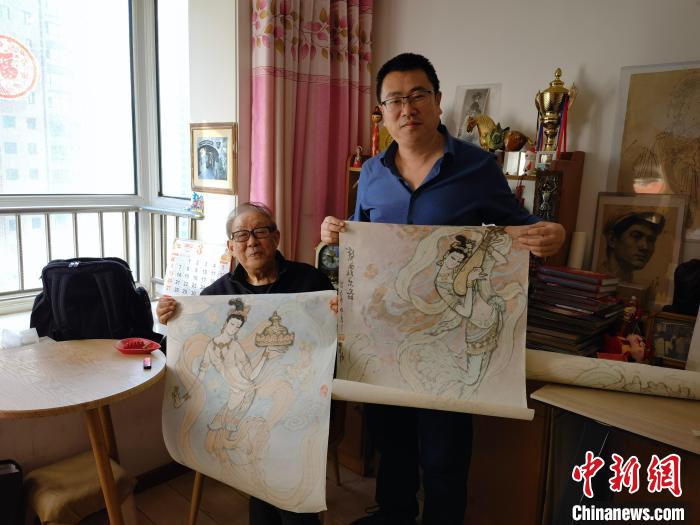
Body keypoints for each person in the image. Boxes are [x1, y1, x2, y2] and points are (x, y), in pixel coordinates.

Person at [320, 53, 565, 525]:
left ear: (437, 100)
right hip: (384, 336)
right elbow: (361, 239)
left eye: (417, 95)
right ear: (382, 111)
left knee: (444, 452)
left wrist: (550, 233)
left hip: (451, 337)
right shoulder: (371, 172)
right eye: (394, 100)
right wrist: (337, 230)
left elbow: (521, 229)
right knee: (391, 443)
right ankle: (393, 515)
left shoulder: (477, 167)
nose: (406, 108)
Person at [158, 201, 335, 525]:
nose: (251, 241)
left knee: (291, 493)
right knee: (260, 479)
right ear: (231, 246)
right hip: (245, 408)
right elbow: (180, 351)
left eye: (260, 232)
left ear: (276, 237)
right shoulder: (215, 296)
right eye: (241, 235)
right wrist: (171, 320)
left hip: (300, 407)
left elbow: (336, 339)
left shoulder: (310, 281)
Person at [601, 211, 665, 282]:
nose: (645, 247)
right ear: (612, 239)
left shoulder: (637, 286)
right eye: (636, 236)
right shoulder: (597, 281)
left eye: (651, 240)